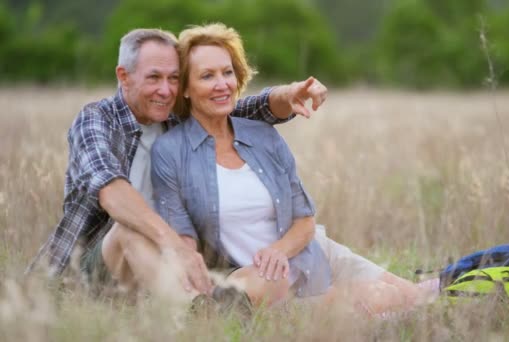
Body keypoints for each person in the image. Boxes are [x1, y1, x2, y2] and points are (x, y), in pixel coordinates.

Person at [26, 27, 329, 304]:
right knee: (128, 230)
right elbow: (111, 192)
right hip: (90, 268)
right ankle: (196, 314)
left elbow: (246, 107)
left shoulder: (176, 120)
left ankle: (202, 305)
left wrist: (289, 93)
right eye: (154, 78)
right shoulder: (96, 120)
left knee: (257, 281)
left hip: (162, 269)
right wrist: (176, 246)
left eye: (174, 78)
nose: (166, 90)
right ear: (124, 76)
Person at [151, 23, 437, 314]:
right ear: (185, 88)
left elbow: (304, 220)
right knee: (378, 298)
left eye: (227, 72)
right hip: (255, 280)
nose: (222, 84)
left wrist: (279, 251)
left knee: (420, 297)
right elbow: (182, 237)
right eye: (207, 76)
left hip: (309, 251)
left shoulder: (262, 135)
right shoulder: (170, 151)